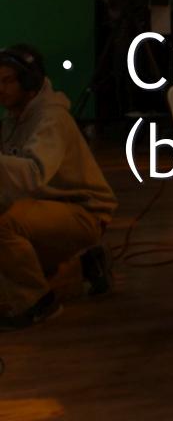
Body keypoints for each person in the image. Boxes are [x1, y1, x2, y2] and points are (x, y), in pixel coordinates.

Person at [0, 45, 117, 330]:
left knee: (3, 229)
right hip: (44, 208)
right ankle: (85, 265)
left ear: (29, 81)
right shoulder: (12, 120)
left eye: (7, 80)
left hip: (83, 212)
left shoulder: (52, 118)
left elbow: (33, 174)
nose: (0, 89)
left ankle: (38, 304)